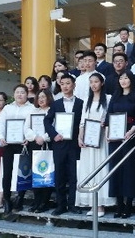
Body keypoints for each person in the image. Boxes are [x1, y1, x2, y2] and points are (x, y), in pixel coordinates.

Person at [106, 71, 135, 219]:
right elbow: (109, 116)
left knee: (129, 170)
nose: (123, 81)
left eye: (126, 78)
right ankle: (119, 204)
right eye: (121, 78)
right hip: (115, 138)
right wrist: (108, 134)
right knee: (115, 170)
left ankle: (128, 204)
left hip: (130, 136)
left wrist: (132, 131)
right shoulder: (115, 97)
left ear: (131, 80)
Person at [44, 74, 84, 215]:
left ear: (74, 85)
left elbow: (83, 123)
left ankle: (73, 204)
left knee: (74, 175)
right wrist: (54, 135)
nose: (65, 86)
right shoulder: (55, 104)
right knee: (59, 175)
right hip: (59, 144)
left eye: (68, 83)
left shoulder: (81, 103)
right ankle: (60, 205)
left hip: (75, 144)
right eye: (63, 84)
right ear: (60, 86)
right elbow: (47, 121)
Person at [76, 73, 115, 217]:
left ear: (102, 83)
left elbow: (112, 119)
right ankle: (92, 203)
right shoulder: (86, 100)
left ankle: (101, 204)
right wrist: (80, 137)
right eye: (91, 82)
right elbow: (82, 121)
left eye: (96, 81)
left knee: (101, 168)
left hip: (102, 139)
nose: (93, 84)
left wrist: (107, 129)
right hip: (88, 139)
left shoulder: (109, 98)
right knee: (89, 168)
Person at [0, 84, 34, 214]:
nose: (20, 95)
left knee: (23, 173)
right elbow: (1, 123)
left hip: (24, 144)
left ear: (27, 94)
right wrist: (1, 137)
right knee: (7, 173)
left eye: (22, 92)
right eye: (17, 92)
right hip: (8, 144)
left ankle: (20, 198)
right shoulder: (7, 108)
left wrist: (28, 138)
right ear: (14, 95)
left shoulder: (32, 108)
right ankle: (7, 199)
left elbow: (33, 125)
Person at [24, 89, 55, 213]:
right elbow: (26, 128)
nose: (41, 99)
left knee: (47, 173)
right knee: (36, 174)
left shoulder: (53, 110)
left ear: (48, 98)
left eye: (44, 97)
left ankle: (45, 202)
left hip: (48, 144)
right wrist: (36, 137)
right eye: (39, 97)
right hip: (34, 144)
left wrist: (44, 137)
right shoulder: (32, 111)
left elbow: (56, 127)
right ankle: (36, 201)